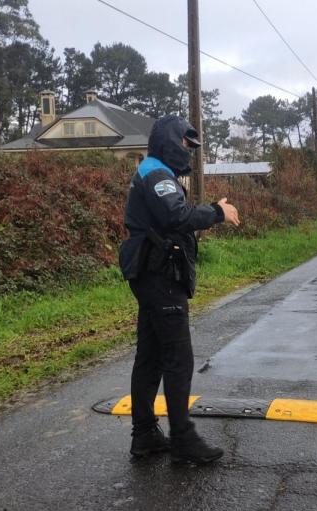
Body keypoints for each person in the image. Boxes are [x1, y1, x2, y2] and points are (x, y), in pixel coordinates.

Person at [118, 115, 240, 464]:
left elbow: (173, 216)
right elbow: (177, 217)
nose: (190, 152)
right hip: (159, 276)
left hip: (152, 274)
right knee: (177, 358)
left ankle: (144, 435)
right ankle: (183, 439)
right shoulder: (157, 175)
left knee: (151, 356)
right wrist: (217, 212)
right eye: (187, 144)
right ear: (171, 141)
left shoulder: (155, 171)